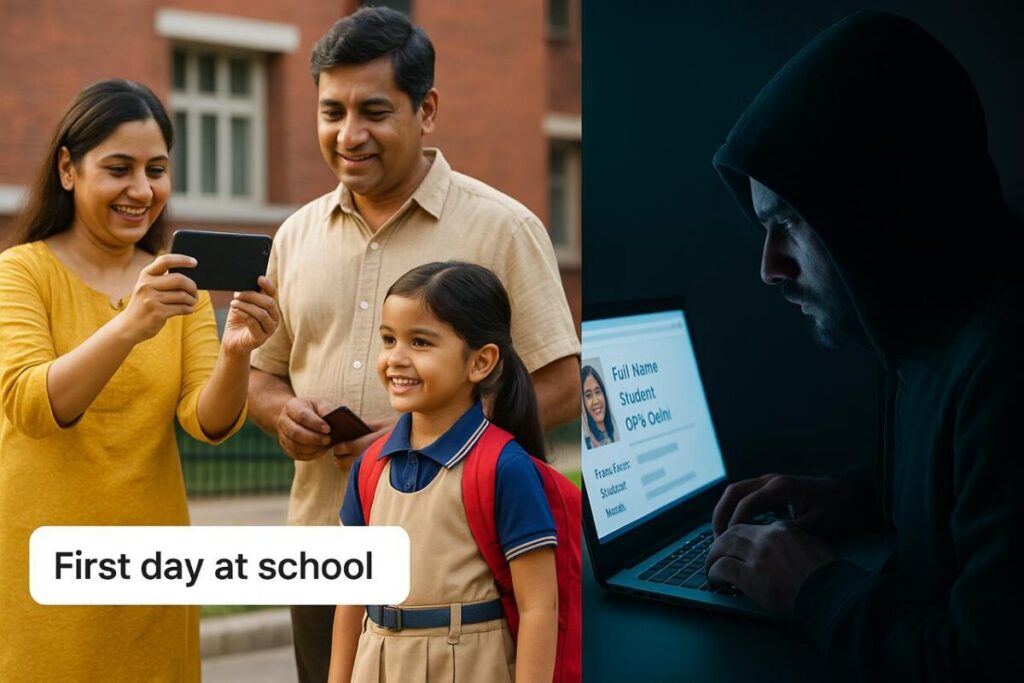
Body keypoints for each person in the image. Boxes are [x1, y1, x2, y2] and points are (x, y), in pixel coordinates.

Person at [246, 8, 580, 680]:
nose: (349, 134)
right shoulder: (294, 237)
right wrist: (283, 412)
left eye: (373, 111)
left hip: (463, 565)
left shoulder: (504, 228)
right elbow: (263, 375)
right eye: (331, 111)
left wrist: (427, 443)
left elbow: (563, 383)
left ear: (426, 109)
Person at [705, 11, 1024, 681]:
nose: (769, 266)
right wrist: (858, 495)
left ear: (882, 206)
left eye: (789, 222)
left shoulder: (1005, 362)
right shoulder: (920, 334)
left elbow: (986, 662)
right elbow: (966, 498)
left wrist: (814, 589)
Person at [0, 79, 279, 681]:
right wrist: (131, 324)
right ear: (69, 170)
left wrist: (237, 355)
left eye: (157, 169)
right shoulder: (21, 272)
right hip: (40, 573)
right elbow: (30, 403)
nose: (142, 190)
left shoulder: (175, 283)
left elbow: (207, 422)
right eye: (119, 169)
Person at [328, 262, 558, 683]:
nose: (395, 358)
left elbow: (539, 607)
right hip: (375, 664)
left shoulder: (504, 467)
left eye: (420, 342)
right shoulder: (370, 466)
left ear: (480, 361)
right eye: (388, 339)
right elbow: (350, 596)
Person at [581, 365, 616, 449]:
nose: (596, 401)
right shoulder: (588, 443)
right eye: (588, 395)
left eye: (598, 392)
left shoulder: (614, 431)